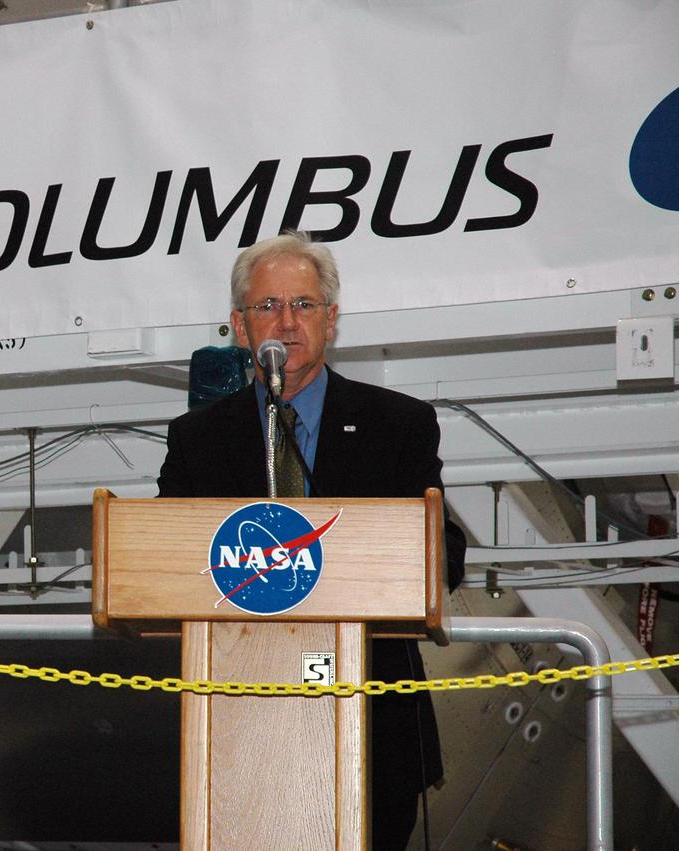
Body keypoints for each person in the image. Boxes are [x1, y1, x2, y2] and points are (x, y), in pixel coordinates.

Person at [157, 230, 466, 850]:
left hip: (372, 729)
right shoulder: (199, 439)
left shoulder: (397, 424)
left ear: (331, 320)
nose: (287, 323)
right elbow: (168, 563)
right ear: (239, 329)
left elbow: (443, 556)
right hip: (236, 723)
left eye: (303, 305)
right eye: (267, 307)